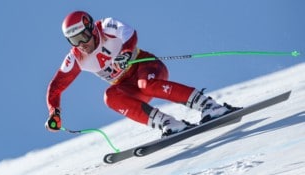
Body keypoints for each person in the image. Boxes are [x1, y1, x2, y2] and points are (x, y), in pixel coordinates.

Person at [45, 11, 240, 137]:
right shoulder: (77, 57)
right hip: (128, 87)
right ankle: (168, 123)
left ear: (91, 29)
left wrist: (126, 53)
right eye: (74, 40)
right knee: (110, 97)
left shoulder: (105, 26)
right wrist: (55, 112)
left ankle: (209, 106)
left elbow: (129, 33)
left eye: (83, 36)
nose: (82, 44)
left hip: (146, 67)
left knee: (146, 84)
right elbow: (56, 86)